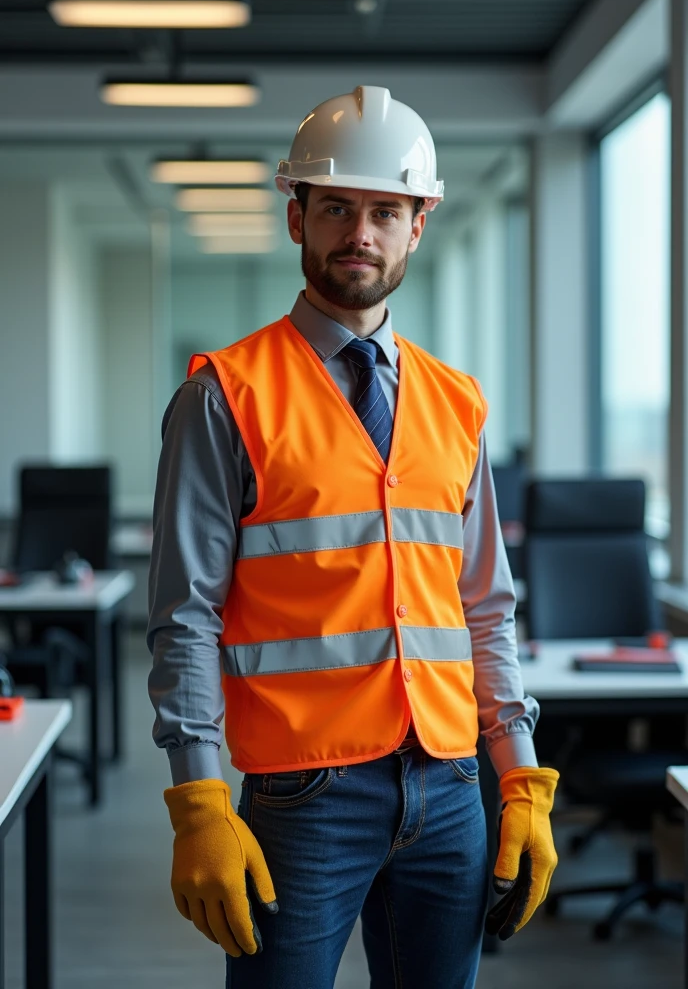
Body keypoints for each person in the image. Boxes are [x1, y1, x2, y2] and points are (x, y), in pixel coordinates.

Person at [148, 85, 559, 989]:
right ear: (297, 216)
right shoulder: (225, 396)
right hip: (305, 796)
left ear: (420, 224)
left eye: (385, 211)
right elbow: (185, 617)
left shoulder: (458, 403)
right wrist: (198, 800)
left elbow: (484, 609)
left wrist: (520, 778)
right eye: (336, 207)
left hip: (452, 789)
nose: (359, 233)